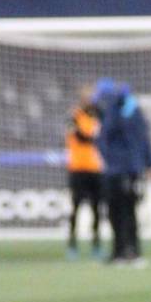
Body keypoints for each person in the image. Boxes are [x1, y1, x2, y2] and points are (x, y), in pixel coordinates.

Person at [96, 79, 151, 265]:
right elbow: (145, 140)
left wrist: (109, 160)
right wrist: (148, 164)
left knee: (118, 212)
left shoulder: (113, 112)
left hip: (117, 170)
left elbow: (102, 140)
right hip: (131, 169)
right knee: (128, 211)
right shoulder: (134, 111)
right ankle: (131, 251)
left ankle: (122, 251)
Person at [66, 85, 104, 259]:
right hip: (78, 168)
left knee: (97, 209)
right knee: (76, 208)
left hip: (95, 168)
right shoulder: (74, 115)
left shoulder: (98, 115)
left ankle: (96, 244)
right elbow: (82, 137)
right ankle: (72, 244)